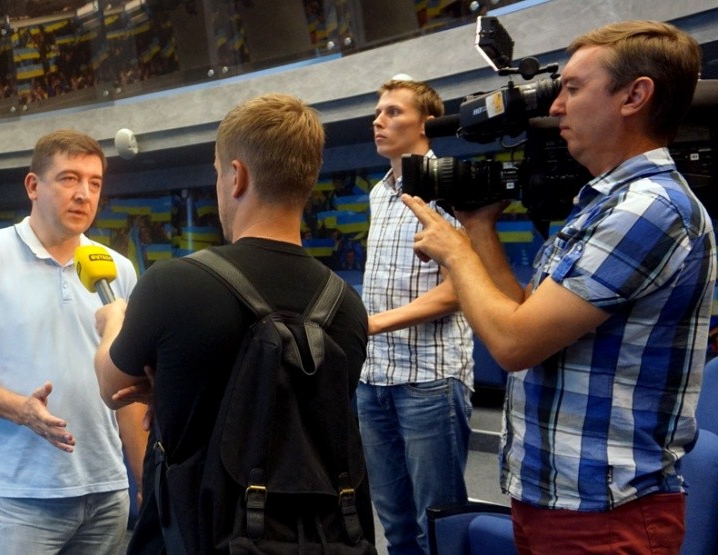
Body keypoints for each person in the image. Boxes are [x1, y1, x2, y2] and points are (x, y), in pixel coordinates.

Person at [402, 20, 714, 554]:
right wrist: (477, 228)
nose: (557, 106)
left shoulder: (648, 209)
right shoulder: (604, 205)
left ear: (634, 96)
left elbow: (513, 343)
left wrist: (455, 253)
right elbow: (523, 313)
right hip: (560, 499)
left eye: (572, 88)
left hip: (603, 512)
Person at [92, 93, 375, 552]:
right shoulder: (346, 305)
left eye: (218, 172)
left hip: (200, 535)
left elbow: (111, 387)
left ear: (237, 176)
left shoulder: (173, 284)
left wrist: (114, 320)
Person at [0, 129, 148, 555]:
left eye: (95, 183)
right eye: (69, 179)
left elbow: (127, 389)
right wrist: (22, 410)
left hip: (107, 491)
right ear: (33, 186)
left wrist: (144, 477)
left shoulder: (118, 269)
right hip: (22, 495)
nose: (84, 194)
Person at [358, 78, 473, 555]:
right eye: (378, 112)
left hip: (430, 379)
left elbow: (459, 291)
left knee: (438, 527)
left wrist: (373, 323)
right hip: (373, 379)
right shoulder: (378, 193)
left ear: (426, 123)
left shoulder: (449, 186)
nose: (378, 121)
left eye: (393, 112)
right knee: (396, 526)